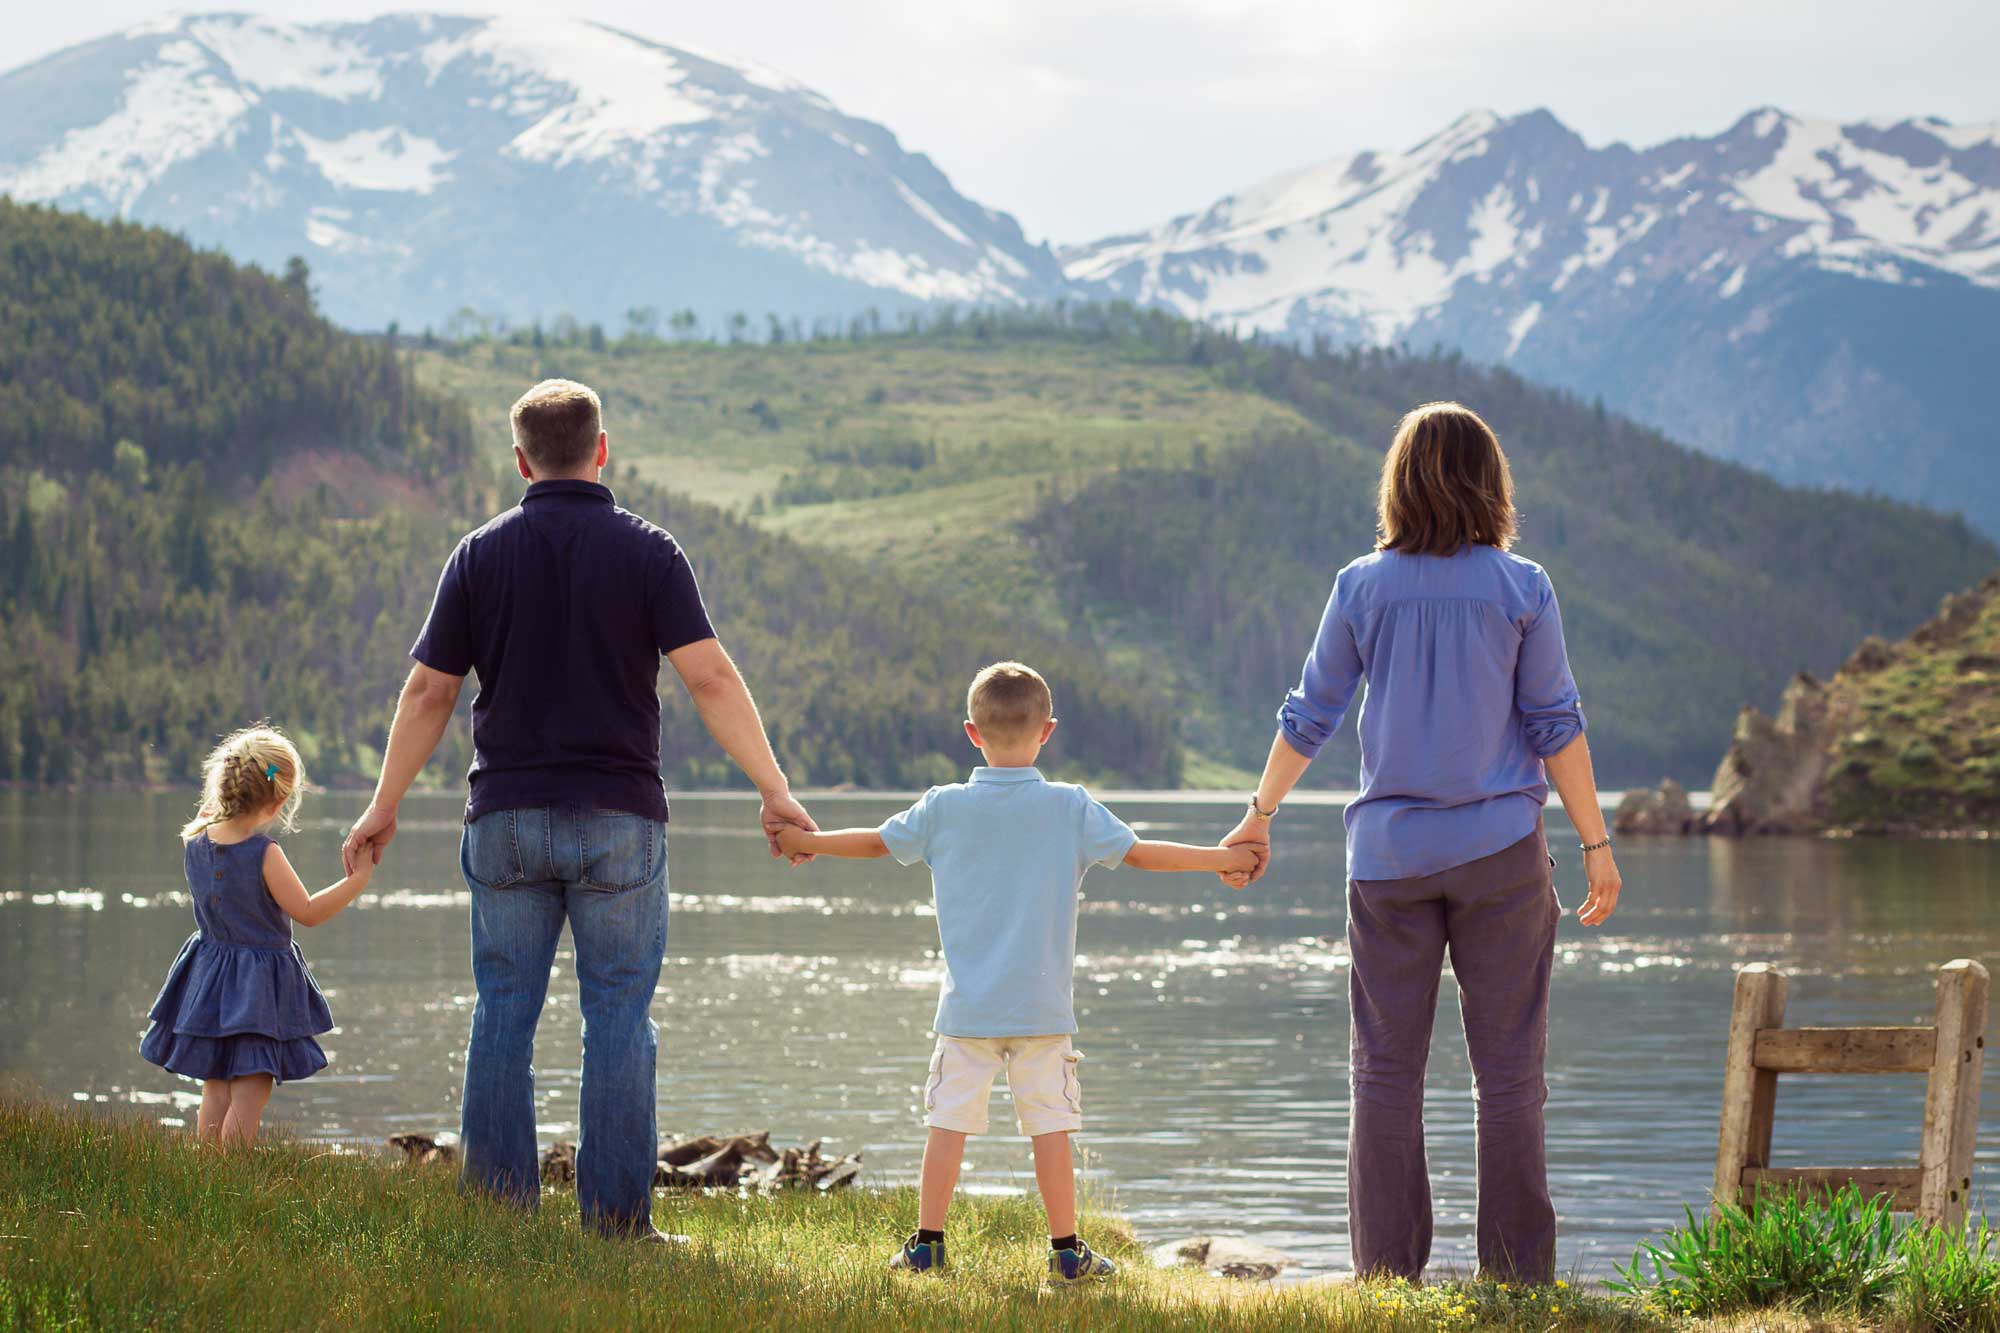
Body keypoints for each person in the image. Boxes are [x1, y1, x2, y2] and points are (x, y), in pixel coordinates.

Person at [340, 378, 817, 1241]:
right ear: (603, 449)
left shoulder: (478, 554)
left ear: (521, 460)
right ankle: (616, 1225)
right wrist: (775, 789)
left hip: (508, 820)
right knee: (620, 1020)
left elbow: (426, 692)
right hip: (620, 822)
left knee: (503, 1010)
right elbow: (709, 676)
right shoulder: (651, 552)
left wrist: (383, 804)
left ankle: (497, 1216)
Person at [1220, 401, 1624, 1284]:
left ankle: (1385, 1276)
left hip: (1389, 862)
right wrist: (1595, 842)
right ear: (1493, 483)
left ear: (1398, 484)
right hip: (1503, 857)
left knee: (1386, 1072)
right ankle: (1517, 1279)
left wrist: (1261, 811)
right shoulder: (1525, 587)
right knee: (1512, 1074)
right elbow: (1557, 724)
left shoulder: (1361, 585)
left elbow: (1311, 713)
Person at [776, 661, 1258, 1281]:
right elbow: (1140, 855)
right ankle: (1066, 1253)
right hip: (1042, 1009)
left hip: (967, 1010)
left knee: (946, 1124)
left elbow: (874, 841)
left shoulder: (943, 807)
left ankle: (926, 1244)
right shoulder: (1070, 807)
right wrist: (1222, 859)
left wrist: (806, 842)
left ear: (972, 732)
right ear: (1047, 732)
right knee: (1050, 1130)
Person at [141, 725, 373, 1145]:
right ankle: (234, 1181)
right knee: (251, 1088)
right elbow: (307, 911)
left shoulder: (195, 841)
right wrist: (358, 880)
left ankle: (208, 1174)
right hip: (257, 989)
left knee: (215, 1084)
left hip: (209, 979)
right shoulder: (265, 853)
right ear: (278, 799)